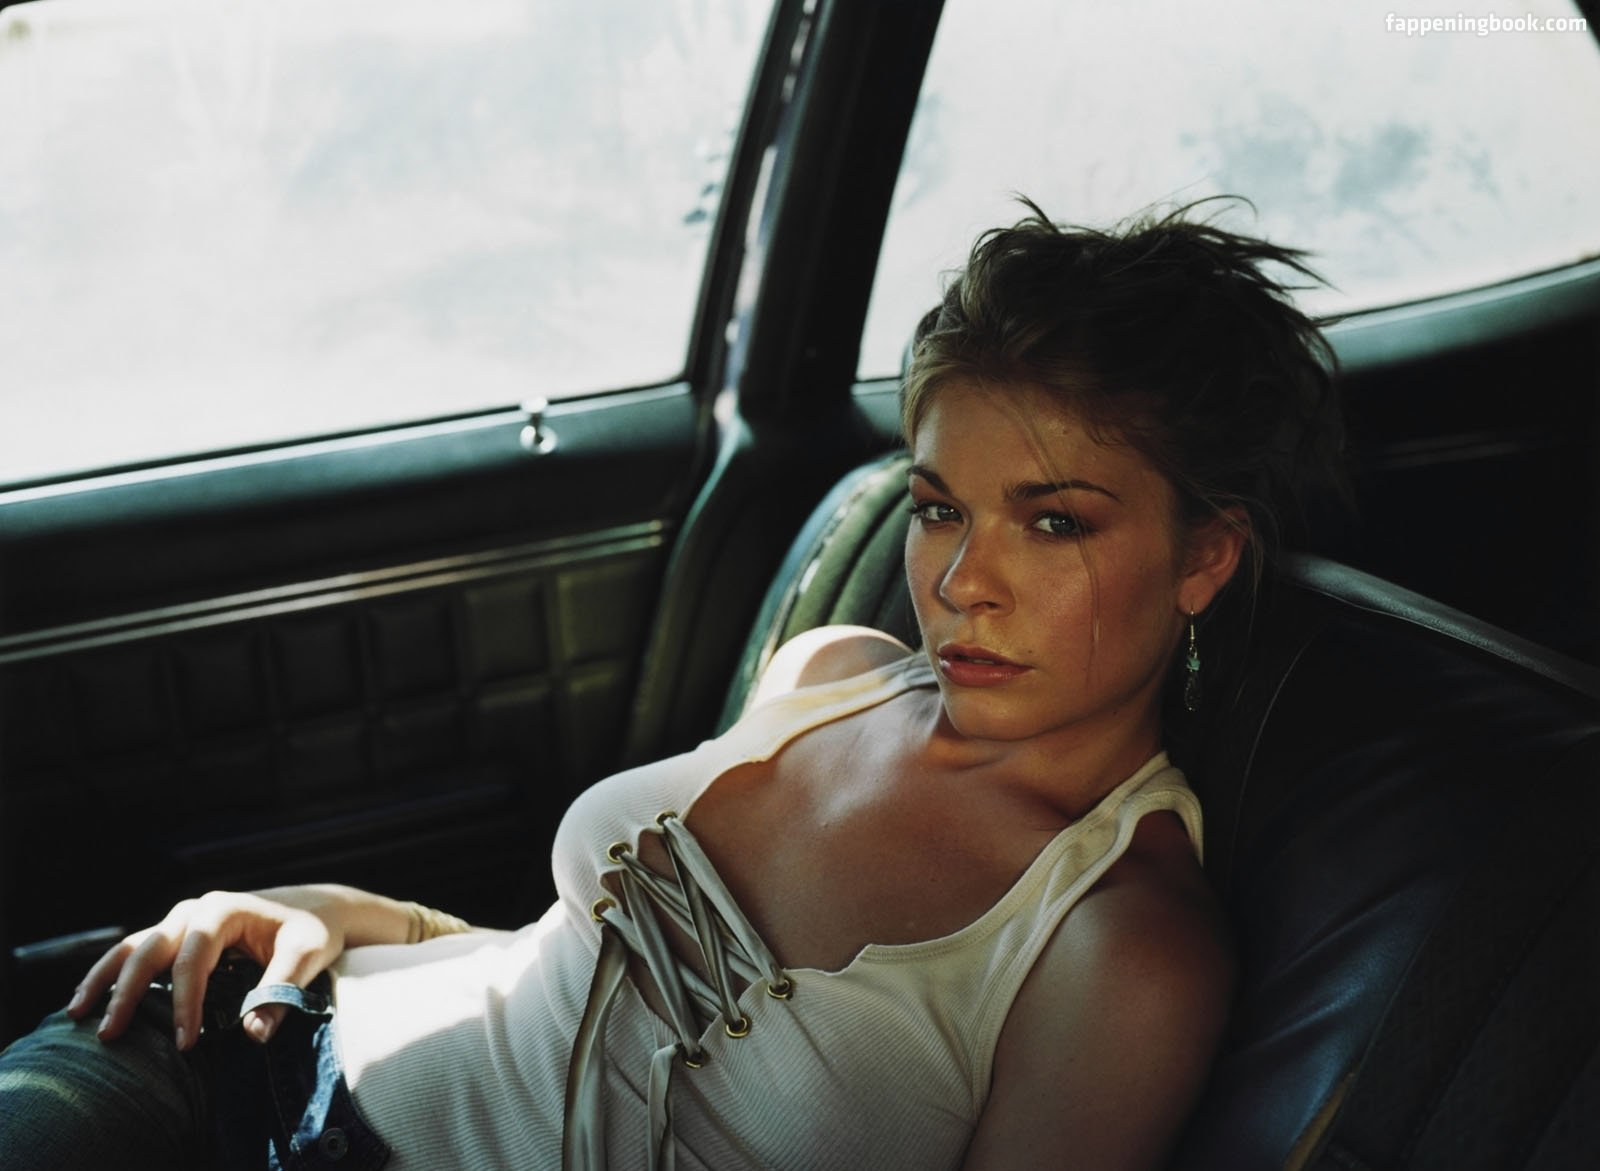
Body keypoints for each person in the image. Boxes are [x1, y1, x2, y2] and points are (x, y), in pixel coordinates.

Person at [0, 198, 1344, 1170]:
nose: (960, 580)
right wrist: (337, 915)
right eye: (941, 507)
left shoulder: (1118, 950)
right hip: (245, 1037)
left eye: (1053, 523)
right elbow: (569, 972)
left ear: (1203, 556)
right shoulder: (837, 674)